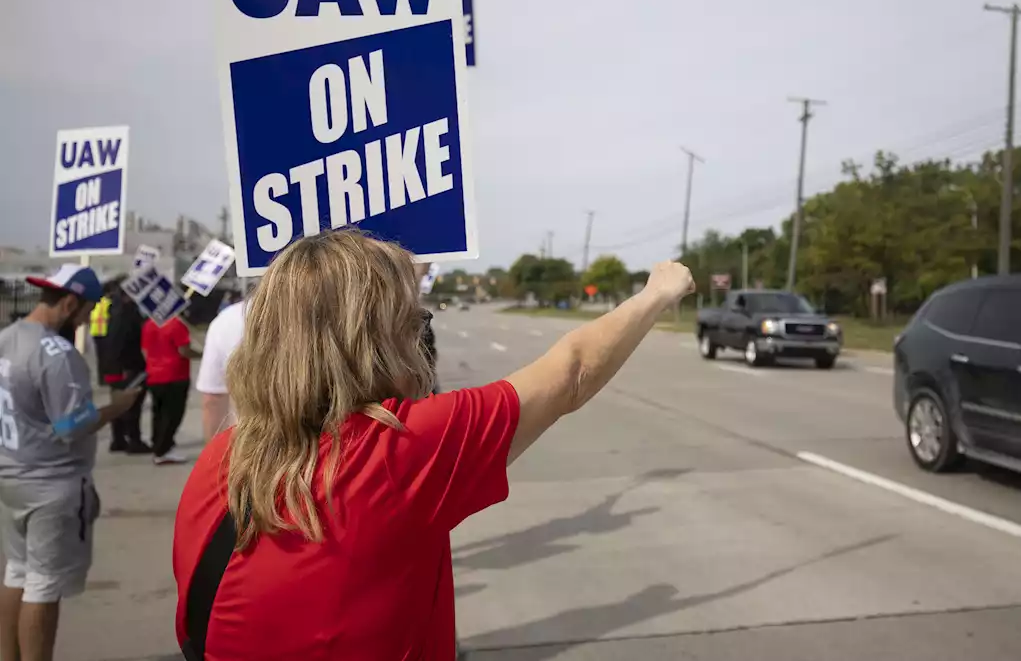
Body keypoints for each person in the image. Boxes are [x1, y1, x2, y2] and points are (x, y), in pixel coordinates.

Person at [172, 230, 693, 659]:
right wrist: (657, 294)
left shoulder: (216, 460)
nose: (420, 337)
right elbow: (572, 373)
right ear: (375, 337)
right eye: (415, 320)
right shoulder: (398, 450)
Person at [0, 265, 143, 661]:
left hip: (11, 475)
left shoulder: (6, 338)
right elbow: (72, 425)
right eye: (86, 309)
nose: (87, 318)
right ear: (69, 303)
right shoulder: (56, 353)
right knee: (44, 586)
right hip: (52, 483)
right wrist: (118, 408)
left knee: (17, 572)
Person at [141, 316, 200, 465]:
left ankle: (158, 443)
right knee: (173, 414)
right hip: (175, 375)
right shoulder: (176, 324)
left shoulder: (149, 324)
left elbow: (145, 350)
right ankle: (163, 450)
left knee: (158, 413)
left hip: (154, 375)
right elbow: (183, 350)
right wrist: (202, 355)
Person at [98, 288, 148, 454]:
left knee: (118, 402)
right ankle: (134, 440)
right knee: (132, 404)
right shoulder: (129, 313)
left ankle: (118, 439)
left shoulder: (111, 310)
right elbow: (132, 338)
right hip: (129, 365)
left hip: (112, 365)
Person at [196, 291, 247, 442]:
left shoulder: (228, 319)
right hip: (316, 453)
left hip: (248, 448)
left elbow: (213, 400)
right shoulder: (318, 312)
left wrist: (213, 460)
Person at [87, 277, 124, 386]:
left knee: (101, 361)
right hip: (105, 333)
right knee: (107, 359)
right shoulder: (109, 303)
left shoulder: (98, 302)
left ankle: (102, 378)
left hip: (95, 333)